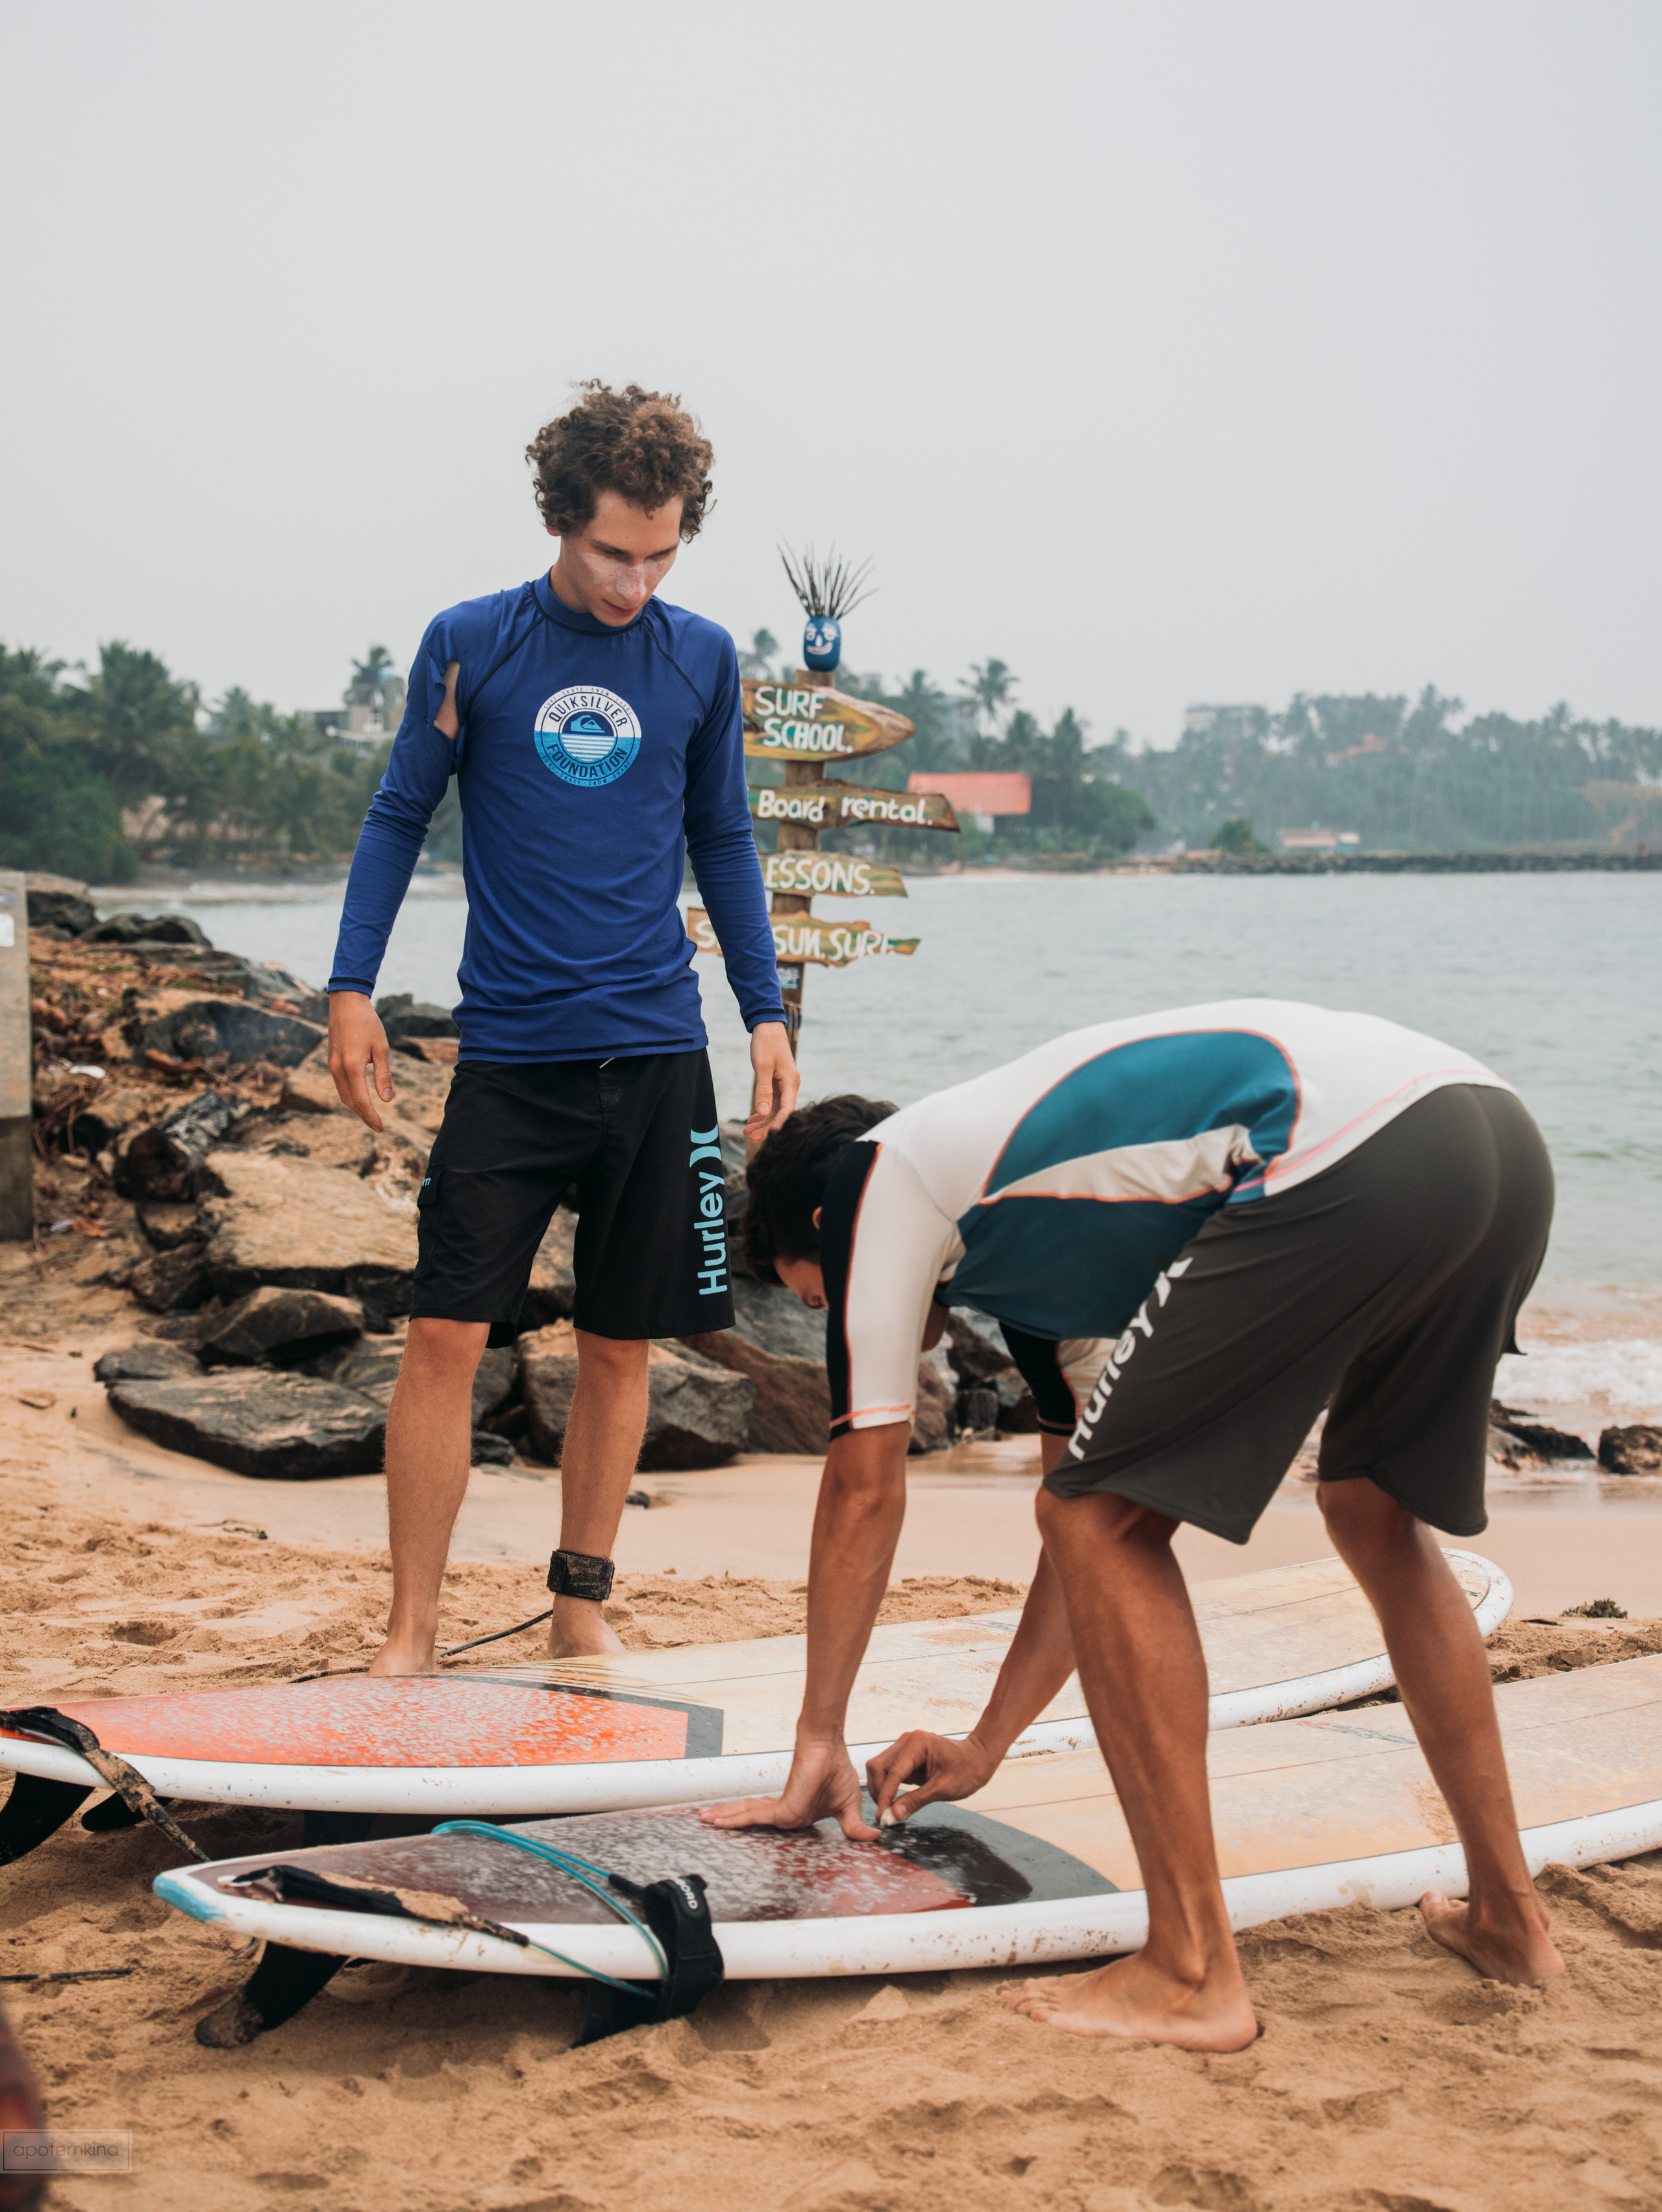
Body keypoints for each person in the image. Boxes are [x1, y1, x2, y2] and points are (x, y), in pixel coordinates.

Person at [702, 999, 1564, 2048]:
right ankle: (1511, 1920)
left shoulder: (873, 1179)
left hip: (1350, 1147)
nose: (820, 1316)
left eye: (804, 1295)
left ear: (822, 1232)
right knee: (1369, 1514)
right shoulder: (1045, 1250)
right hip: (1493, 1140)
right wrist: (986, 1744)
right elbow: (1085, 1537)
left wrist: (819, 1739)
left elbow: (865, 1489)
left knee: (1099, 1522)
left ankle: (1193, 1970)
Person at [327, 381, 797, 1674]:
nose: (633, 583)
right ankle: (412, 1627)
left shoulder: (698, 656)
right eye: (609, 553)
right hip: (516, 1062)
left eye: (659, 555)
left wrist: (762, 1014)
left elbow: (724, 838)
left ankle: (579, 1602)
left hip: (656, 1054)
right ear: (558, 520)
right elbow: (395, 816)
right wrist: (351, 986)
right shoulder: (472, 644)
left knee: (619, 1343)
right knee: (440, 1336)